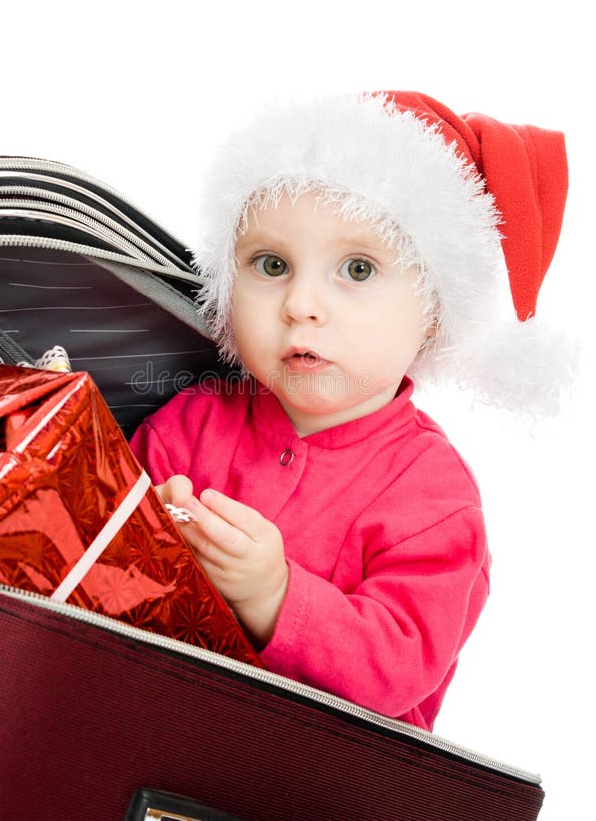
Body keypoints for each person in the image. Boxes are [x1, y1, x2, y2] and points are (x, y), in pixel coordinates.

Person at [129, 91, 569, 730]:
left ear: (433, 312)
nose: (300, 305)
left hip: (318, 769)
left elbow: (399, 666)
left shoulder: (433, 495)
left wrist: (274, 596)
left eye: (358, 269)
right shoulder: (189, 424)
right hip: (157, 728)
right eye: (272, 265)